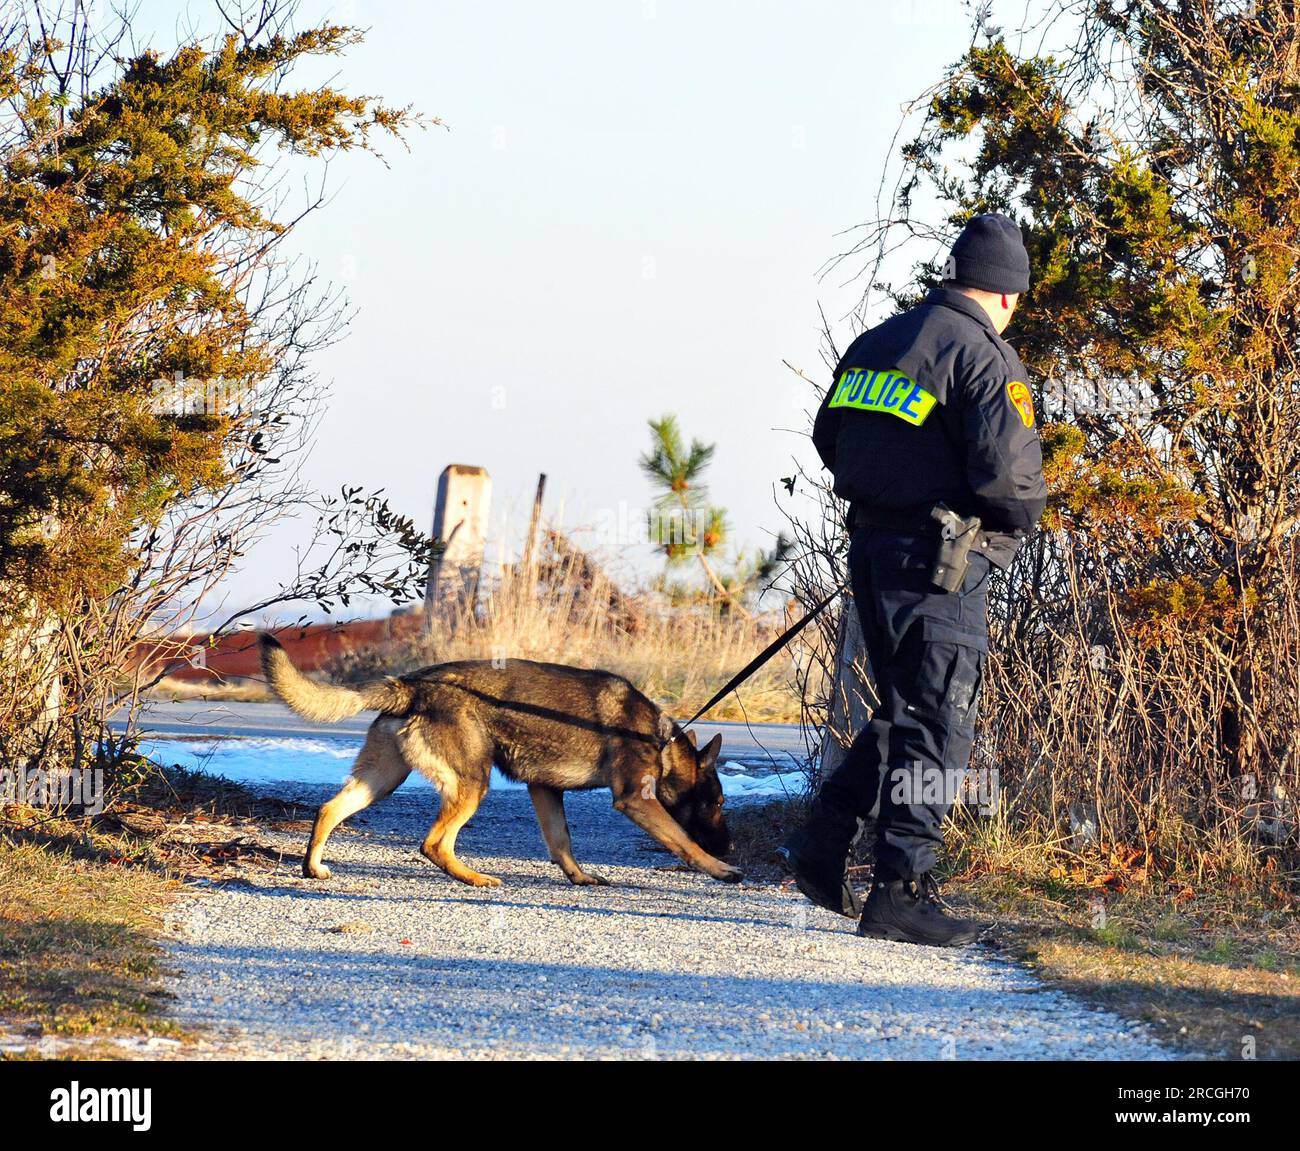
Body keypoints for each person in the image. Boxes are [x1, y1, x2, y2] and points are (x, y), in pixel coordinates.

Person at [779, 213, 1048, 946]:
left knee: (901, 711)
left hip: (873, 551)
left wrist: (889, 493)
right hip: (941, 564)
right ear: (1006, 292)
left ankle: (823, 844)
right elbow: (1013, 486)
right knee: (937, 721)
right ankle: (901, 891)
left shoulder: (880, 341)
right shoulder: (984, 357)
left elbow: (828, 437)